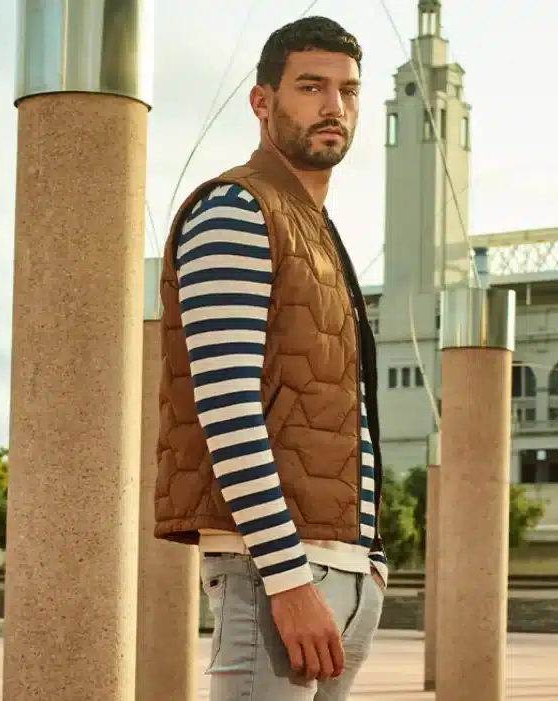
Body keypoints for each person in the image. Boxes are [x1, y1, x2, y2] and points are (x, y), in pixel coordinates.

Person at [152, 16, 387, 701]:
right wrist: (287, 578)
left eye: (348, 90)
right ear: (263, 102)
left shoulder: (314, 227)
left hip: (341, 565)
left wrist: (367, 562)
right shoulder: (235, 210)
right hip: (277, 572)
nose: (333, 107)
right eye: (310, 86)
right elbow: (225, 406)